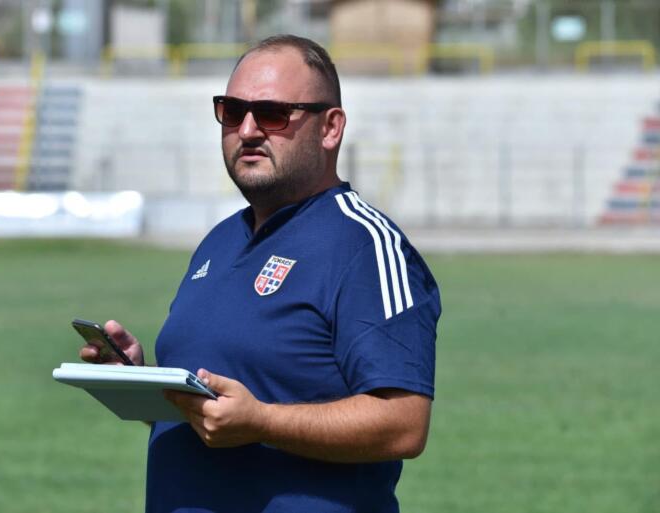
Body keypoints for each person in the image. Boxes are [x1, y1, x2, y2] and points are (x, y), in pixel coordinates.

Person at [80, 34, 441, 513]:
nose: (248, 130)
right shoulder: (218, 241)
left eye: (272, 113)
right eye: (232, 111)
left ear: (330, 127)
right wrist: (143, 384)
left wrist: (263, 422)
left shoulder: (364, 245)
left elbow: (405, 423)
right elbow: (216, 418)